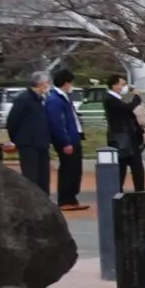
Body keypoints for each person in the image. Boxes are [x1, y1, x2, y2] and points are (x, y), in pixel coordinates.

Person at [5, 72, 53, 193]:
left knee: (43, 176)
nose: (48, 86)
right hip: (28, 144)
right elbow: (12, 120)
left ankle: (44, 200)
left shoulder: (40, 99)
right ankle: (32, 201)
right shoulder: (24, 99)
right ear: (40, 83)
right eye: (47, 83)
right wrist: (16, 139)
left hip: (42, 144)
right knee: (31, 176)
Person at [46, 68, 87, 211]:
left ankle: (72, 198)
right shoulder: (55, 100)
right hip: (67, 140)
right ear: (66, 83)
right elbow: (57, 123)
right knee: (68, 169)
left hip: (74, 137)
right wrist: (65, 142)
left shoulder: (63, 98)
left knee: (75, 169)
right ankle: (65, 199)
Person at [104, 75, 145, 191]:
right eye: (122, 84)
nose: (124, 87)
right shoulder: (110, 100)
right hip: (120, 141)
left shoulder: (118, 99)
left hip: (130, 140)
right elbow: (127, 108)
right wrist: (136, 97)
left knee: (137, 169)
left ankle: (140, 192)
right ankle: (118, 193)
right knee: (121, 169)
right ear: (114, 85)